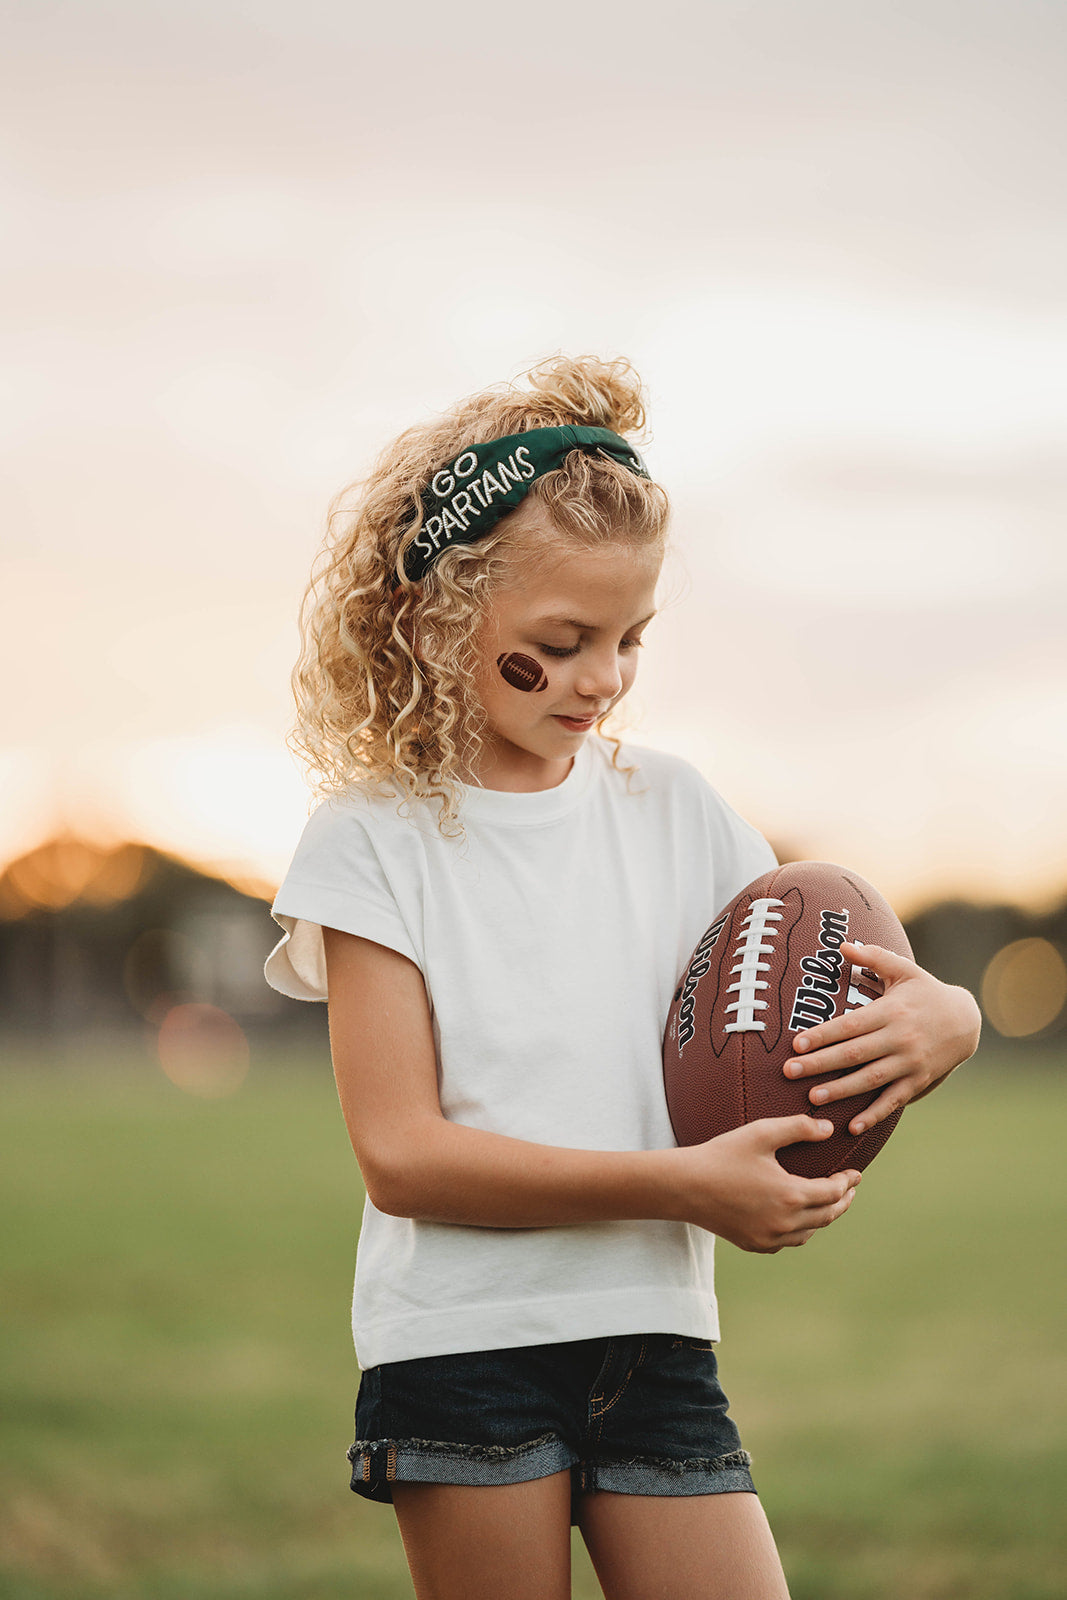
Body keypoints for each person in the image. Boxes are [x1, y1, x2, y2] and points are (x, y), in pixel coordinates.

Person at [264, 355, 981, 1600]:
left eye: (631, 638)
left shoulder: (677, 812)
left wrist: (950, 1018)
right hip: (464, 1344)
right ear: (442, 617)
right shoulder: (370, 839)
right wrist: (681, 1184)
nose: (603, 677)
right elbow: (402, 1154)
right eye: (564, 641)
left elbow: (829, 984)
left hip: (657, 1340)